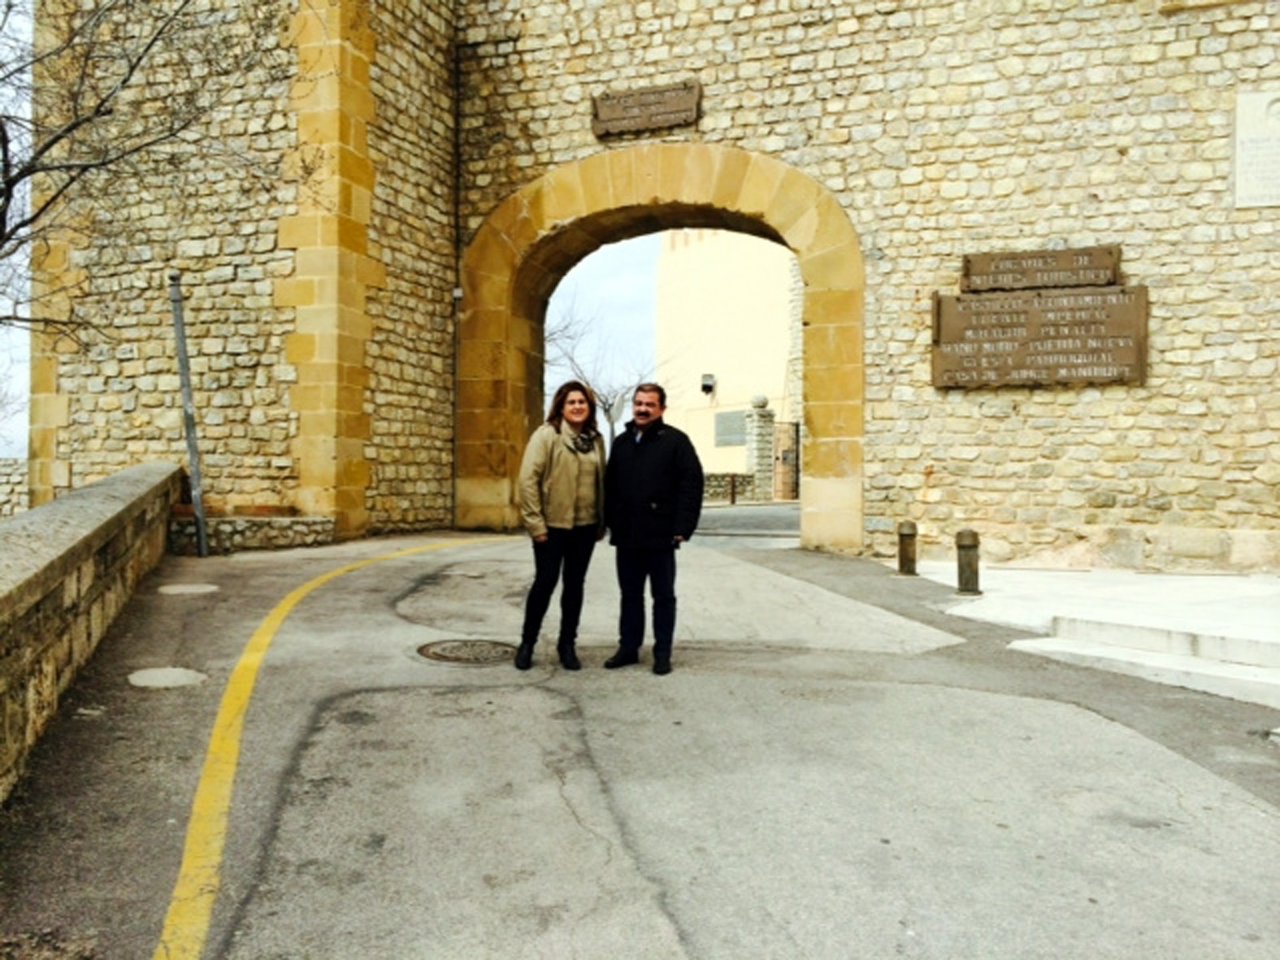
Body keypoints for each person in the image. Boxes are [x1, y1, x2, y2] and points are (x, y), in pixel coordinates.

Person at [603, 383, 704, 675]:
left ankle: (662, 654)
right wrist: (610, 521)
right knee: (630, 596)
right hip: (627, 535)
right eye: (639, 403)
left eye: (649, 404)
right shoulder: (622, 443)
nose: (643, 409)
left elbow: (692, 485)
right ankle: (628, 648)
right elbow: (610, 486)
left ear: (661, 409)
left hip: (661, 534)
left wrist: (683, 526)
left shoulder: (676, 441)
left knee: (663, 597)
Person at [515, 380, 607, 671]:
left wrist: (601, 521)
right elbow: (527, 481)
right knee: (545, 583)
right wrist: (535, 524)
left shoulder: (595, 439)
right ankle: (527, 643)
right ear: (561, 406)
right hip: (552, 526)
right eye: (571, 402)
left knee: (575, 586)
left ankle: (567, 645)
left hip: (585, 526)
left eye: (582, 402)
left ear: (589, 407)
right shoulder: (547, 435)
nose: (577, 406)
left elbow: (601, 482)